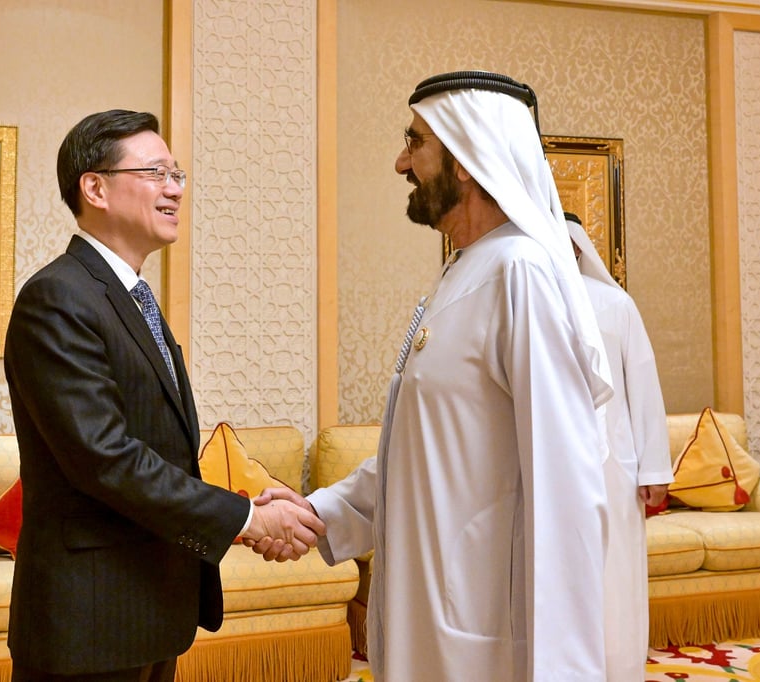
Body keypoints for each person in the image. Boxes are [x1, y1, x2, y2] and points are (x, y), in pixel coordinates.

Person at [250, 71, 613, 681]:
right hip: (428, 614)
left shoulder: (519, 273)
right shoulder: (464, 272)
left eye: (415, 142)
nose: (401, 162)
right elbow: (422, 455)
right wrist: (320, 510)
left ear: (466, 160)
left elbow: (565, 488)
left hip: (484, 630)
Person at [3, 109, 324, 682]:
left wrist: (247, 496)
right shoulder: (58, 298)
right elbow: (105, 459)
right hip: (92, 620)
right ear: (95, 187)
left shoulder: (129, 297)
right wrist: (246, 518)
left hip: (148, 607)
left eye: (177, 174)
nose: (175, 187)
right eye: (156, 172)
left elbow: (158, 448)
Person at [565, 212, 672, 681]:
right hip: (554, 467)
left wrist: (653, 471)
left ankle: (619, 669)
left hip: (615, 468)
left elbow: (644, 388)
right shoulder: (531, 301)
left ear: (581, 249)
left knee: (617, 574)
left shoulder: (616, 304)